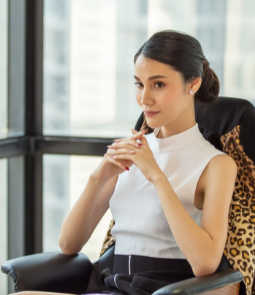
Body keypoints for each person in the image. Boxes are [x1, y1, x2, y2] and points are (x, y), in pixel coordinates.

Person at [58, 30, 237, 295]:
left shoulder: (216, 164)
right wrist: (98, 177)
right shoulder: (131, 151)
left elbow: (205, 264)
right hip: (114, 286)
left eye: (159, 84)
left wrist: (156, 175)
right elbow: (68, 244)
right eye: (139, 84)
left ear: (193, 84)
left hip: (164, 290)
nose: (144, 99)